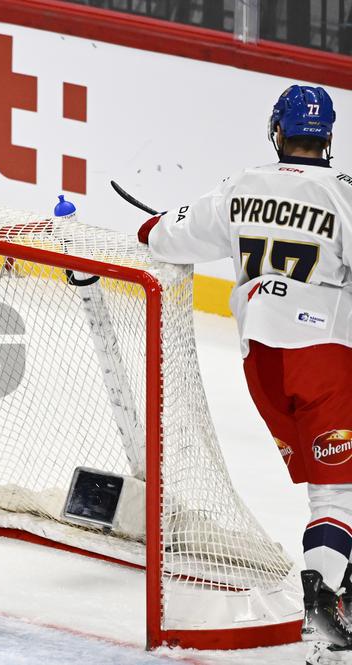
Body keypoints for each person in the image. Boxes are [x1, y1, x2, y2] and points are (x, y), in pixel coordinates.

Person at [137, 85, 352, 663]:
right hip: (327, 355)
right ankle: (326, 600)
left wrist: (150, 224)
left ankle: (338, 596)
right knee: (338, 493)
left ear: (277, 130)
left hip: (262, 364)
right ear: (328, 137)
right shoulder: (344, 196)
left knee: (327, 489)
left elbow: (163, 234)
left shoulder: (240, 186)